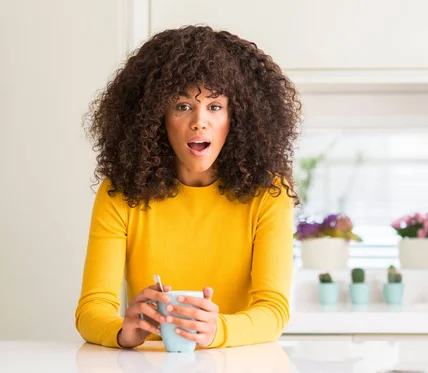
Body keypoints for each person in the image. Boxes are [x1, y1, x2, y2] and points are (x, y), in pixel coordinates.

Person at [75, 25, 301, 349]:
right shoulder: (121, 193)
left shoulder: (267, 194)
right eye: (182, 106)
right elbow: (91, 309)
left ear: (236, 118)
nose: (199, 121)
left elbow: (274, 310)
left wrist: (216, 330)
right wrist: (123, 332)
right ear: (156, 118)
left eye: (214, 106)